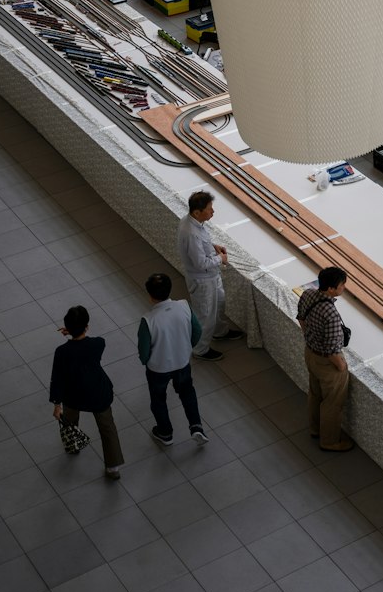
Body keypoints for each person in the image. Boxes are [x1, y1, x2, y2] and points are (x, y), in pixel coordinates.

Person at [49, 306, 124, 480]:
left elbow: (57, 378)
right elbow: (91, 341)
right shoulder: (98, 344)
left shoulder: (62, 352)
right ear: (87, 327)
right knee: (107, 428)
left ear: (67, 327)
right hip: (98, 393)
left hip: (72, 395)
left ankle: (73, 445)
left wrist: (56, 404)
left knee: (70, 421)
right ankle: (113, 467)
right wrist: (75, 332)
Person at [137, 273, 208, 446]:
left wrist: (146, 360)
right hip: (182, 362)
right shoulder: (184, 306)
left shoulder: (148, 320)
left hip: (158, 368)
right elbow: (197, 331)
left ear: (150, 295)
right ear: (170, 289)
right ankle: (196, 426)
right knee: (187, 392)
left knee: (158, 398)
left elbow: (144, 350)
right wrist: (185, 347)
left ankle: (165, 433)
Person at [176, 189, 243, 362]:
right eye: (209, 209)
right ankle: (200, 348)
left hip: (211, 277)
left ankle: (220, 332)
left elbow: (201, 245)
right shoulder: (191, 233)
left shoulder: (193, 223)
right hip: (203, 280)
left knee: (219, 303)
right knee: (205, 315)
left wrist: (213, 247)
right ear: (197, 212)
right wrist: (220, 258)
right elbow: (201, 263)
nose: (213, 211)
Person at [297, 266, 353, 452]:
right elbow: (331, 351)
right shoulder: (330, 314)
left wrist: (309, 339)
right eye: (341, 284)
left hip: (310, 353)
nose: (344, 287)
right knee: (332, 403)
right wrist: (342, 366)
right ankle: (329, 441)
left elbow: (301, 319)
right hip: (327, 363)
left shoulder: (308, 294)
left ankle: (315, 429)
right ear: (331, 289)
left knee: (315, 393)